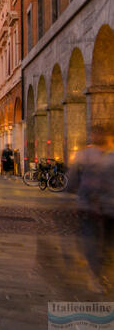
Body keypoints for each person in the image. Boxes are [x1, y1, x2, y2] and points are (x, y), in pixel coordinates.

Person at [67, 124, 113, 291]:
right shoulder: (107, 156)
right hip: (95, 206)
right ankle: (97, 275)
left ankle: (97, 274)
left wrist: (74, 192)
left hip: (96, 205)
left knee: (98, 241)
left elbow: (71, 180)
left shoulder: (83, 155)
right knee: (101, 241)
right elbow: (72, 180)